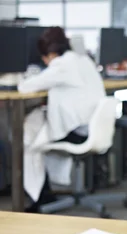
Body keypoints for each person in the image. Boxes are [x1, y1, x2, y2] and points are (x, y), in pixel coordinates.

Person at [18, 26, 105, 212]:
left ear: (49, 53)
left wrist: (20, 77)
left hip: (78, 131)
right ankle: (45, 192)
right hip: (92, 127)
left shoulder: (61, 65)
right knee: (36, 124)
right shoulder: (83, 59)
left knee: (27, 135)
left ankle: (39, 197)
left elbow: (26, 87)